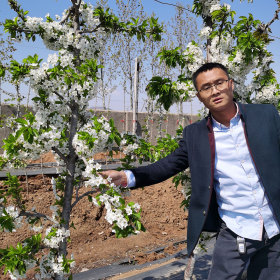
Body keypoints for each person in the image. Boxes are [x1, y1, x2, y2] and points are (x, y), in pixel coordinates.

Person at [101, 62, 280, 279]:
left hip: (274, 225)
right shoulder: (195, 135)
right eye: (206, 87)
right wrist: (127, 176)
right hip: (236, 229)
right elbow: (167, 165)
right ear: (199, 96)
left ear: (231, 84)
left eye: (219, 83)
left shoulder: (266, 115)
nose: (214, 90)